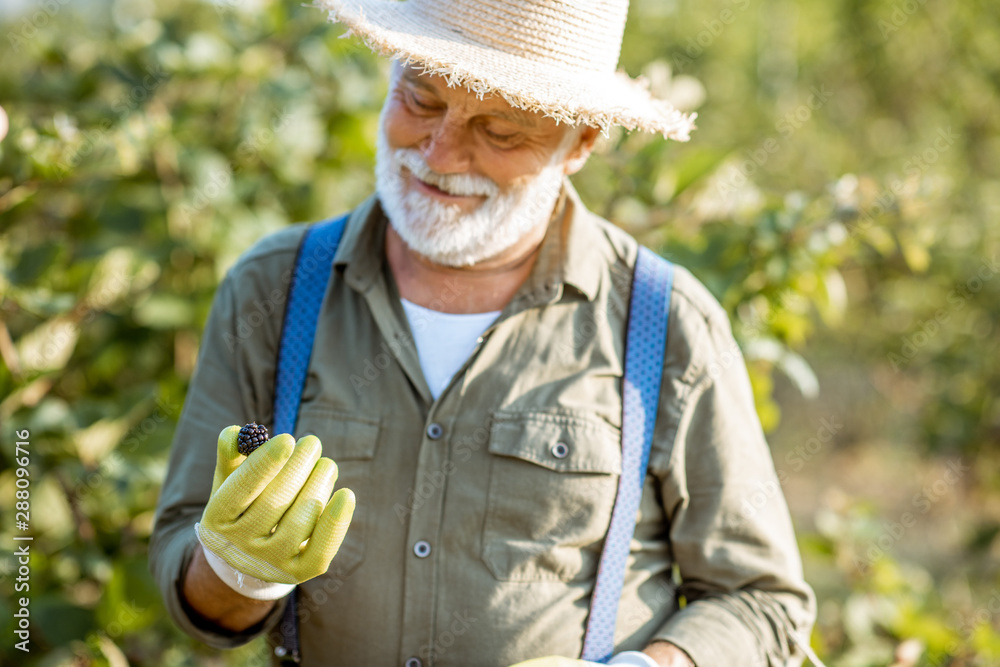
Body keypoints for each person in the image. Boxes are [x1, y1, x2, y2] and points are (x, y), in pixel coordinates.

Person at [149, 0, 818, 665]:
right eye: (420, 98)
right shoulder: (274, 289)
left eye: (499, 132)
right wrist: (240, 571)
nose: (440, 151)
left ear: (580, 141)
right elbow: (190, 575)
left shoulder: (668, 326)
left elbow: (760, 600)